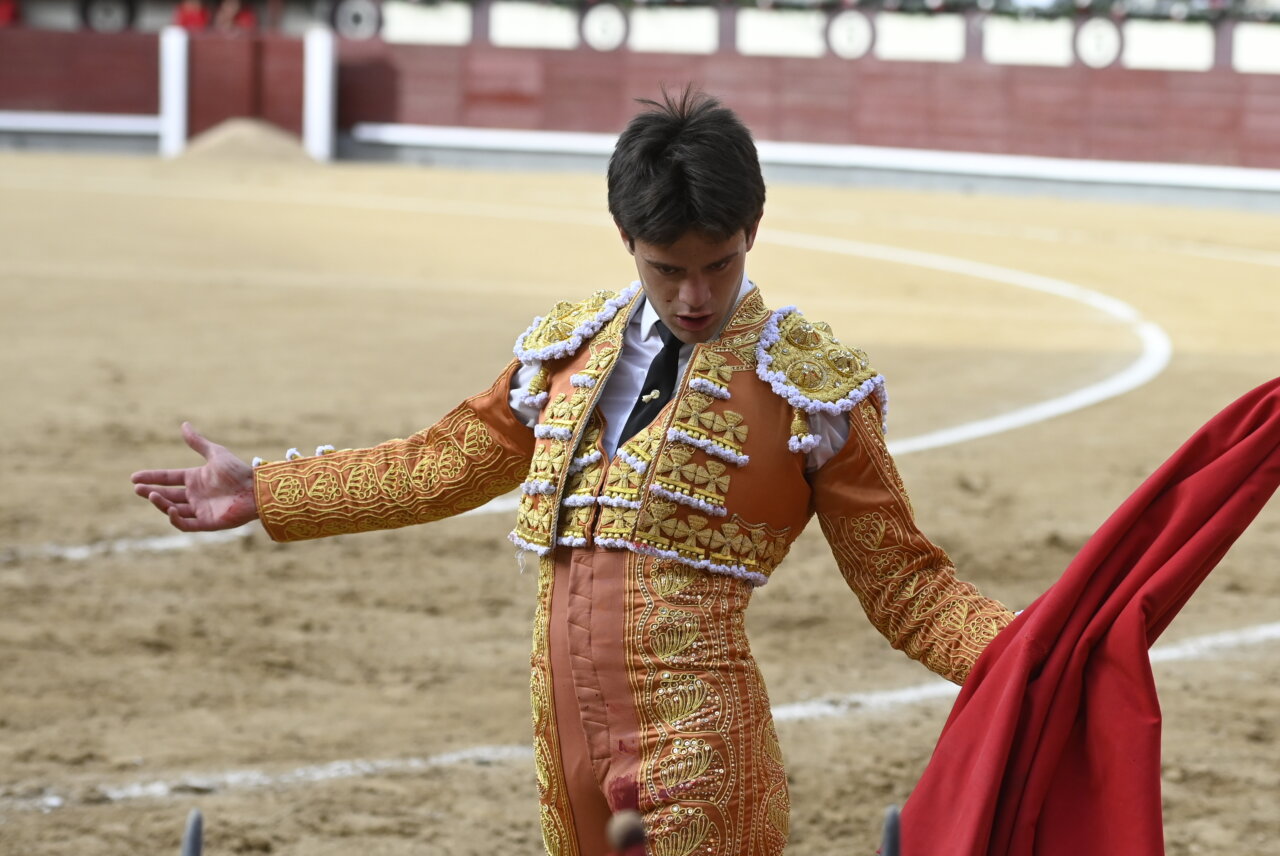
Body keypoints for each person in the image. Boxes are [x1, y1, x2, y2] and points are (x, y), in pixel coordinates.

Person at [131, 88, 1014, 856]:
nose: (696, 297)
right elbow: (440, 464)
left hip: (700, 743)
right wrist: (267, 491)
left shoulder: (810, 390)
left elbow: (907, 583)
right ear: (627, 237)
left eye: (720, 265)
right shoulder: (569, 356)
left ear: (753, 229)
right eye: (668, 270)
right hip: (564, 746)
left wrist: (1034, 655)